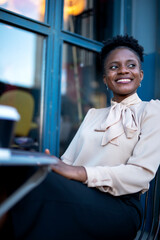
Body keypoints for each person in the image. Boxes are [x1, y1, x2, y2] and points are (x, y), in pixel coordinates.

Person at [7, 35, 160, 240]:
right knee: (25, 175)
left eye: (130, 65)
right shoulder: (93, 115)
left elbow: (139, 175)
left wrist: (79, 172)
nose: (123, 70)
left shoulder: (152, 111)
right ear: (105, 79)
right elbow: (68, 163)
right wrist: (50, 164)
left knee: (38, 192)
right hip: (79, 193)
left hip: (120, 208)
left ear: (140, 75)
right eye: (114, 67)